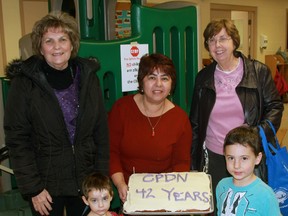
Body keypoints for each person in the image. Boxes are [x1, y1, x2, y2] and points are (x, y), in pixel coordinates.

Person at [4, 12, 109, 216]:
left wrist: (101, 178)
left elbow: (101, 132)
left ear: (72, 44)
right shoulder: (24, 83)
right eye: (49, 41)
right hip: (45, 185)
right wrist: (33, 188)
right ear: (40, 48)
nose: (57, 46)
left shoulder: (88, 77)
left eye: (63, 39)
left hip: (86, 182)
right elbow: (17, 138)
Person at [189, 19, 283, 213]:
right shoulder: (203, 77)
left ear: (234, 41)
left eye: (223, 38)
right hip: (214, 155)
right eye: (211, 40)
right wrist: (193, 162)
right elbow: (196, 123)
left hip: (246, 154)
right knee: (218, 206)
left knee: (248, 206)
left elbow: (275, 106)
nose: (217, 45)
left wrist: (255, 134)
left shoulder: (258, 72)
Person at [109, 53, 192, 203]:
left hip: (165, 193)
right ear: (142, 81)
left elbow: (181, 163)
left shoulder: (180, 119)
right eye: (152, 77)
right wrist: (120, 184)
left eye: (165, 78)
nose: (158, 84)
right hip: (130, 192)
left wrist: (169, 193)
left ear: (172, 84)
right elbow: (112, 153)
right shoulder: (121, 109)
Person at [216, 126, 281, 215]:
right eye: (231, 158)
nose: (236, 165)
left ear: (257, 158)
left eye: (244, 158)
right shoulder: (221, 186)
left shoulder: (266, 194)